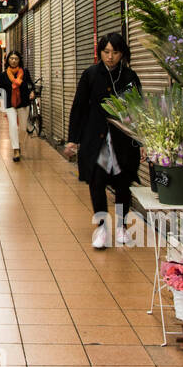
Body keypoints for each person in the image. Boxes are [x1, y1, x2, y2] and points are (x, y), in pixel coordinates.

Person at [67, 32, 143, 249]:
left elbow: (139, 110)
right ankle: (101, 226)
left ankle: (122, 226)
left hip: (123, 141)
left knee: (122, 183)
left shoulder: (130, 77)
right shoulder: (90, 74)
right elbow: (79, 107)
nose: (110, 57)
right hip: (96, 138)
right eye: (106, 52)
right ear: (99, 52)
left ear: (122, 53)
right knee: (96, 181)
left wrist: (142, 141)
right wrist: (73, 139)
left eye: (115, 52)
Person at [0, 50, 35, 162]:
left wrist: (32, 91)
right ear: (8, 60)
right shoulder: (4, 75)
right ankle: (15, 149)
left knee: (23, 128)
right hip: (10, 104)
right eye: (11, 58)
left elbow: (30, 84)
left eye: (16, 58)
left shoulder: (25, 72)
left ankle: (18, 144)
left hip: (23, 103)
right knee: (13, 125)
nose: (13, 60)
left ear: (19, 60)